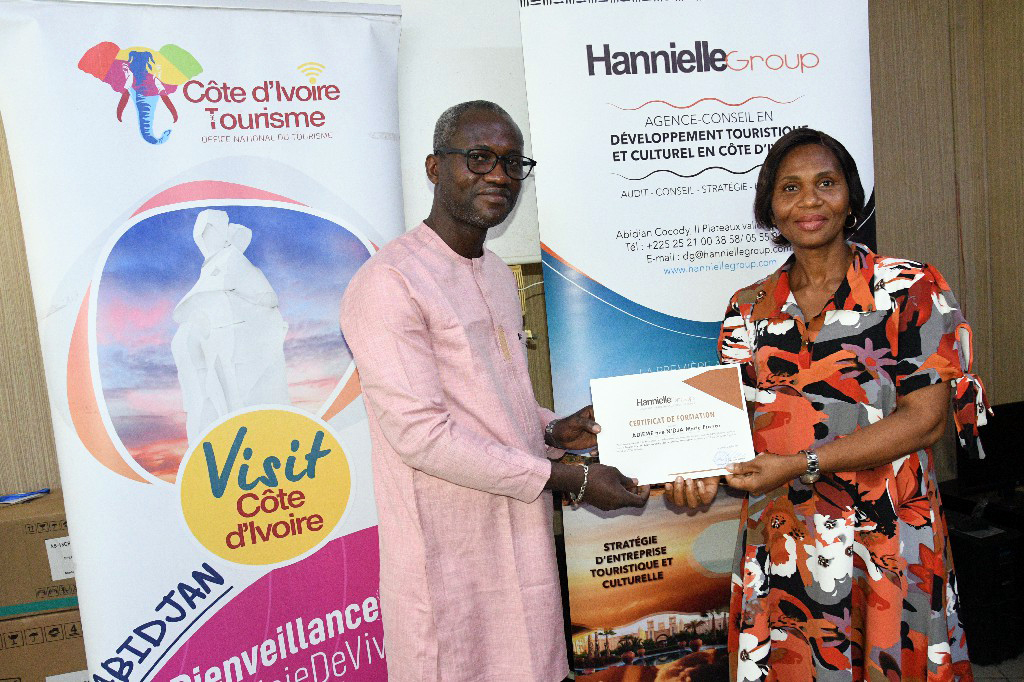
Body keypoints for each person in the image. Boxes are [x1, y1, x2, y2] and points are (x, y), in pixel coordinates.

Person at [340, 100, 650, 682]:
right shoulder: (390, 282)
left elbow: (491, 398)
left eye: (512, 163)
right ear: (435, 168)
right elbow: (422, 437)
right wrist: (571, 479)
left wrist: (552, 428)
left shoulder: (496, 273)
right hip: (448, 550)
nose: (500, 176)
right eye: (479, 158)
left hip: (521, 537)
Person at [666, 128, 988, 681]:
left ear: (851, 196)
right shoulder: (748, 309)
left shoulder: (909, 288)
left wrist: (802, 463)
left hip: (886, 537)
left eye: (825, 183)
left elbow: (924, 421)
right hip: (784, 538)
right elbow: (731, 427)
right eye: (790, 188)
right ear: (770, 207)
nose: (809, 201)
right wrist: (696, 471)